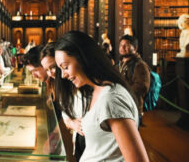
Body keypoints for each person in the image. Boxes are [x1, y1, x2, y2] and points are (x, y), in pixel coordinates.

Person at [55, 31, 148, 162]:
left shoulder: (111, 99)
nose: (63, 75)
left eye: (65, 67)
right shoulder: (95, 91)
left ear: (83, 57)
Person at [118, 34, 150, 125]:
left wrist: (121, 94)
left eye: (126, 45)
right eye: (121, 45)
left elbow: (142, 86)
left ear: (135, 48)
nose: (122, 48)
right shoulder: (120, 64)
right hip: (120, 106)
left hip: (133, 107)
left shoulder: (139, 65)